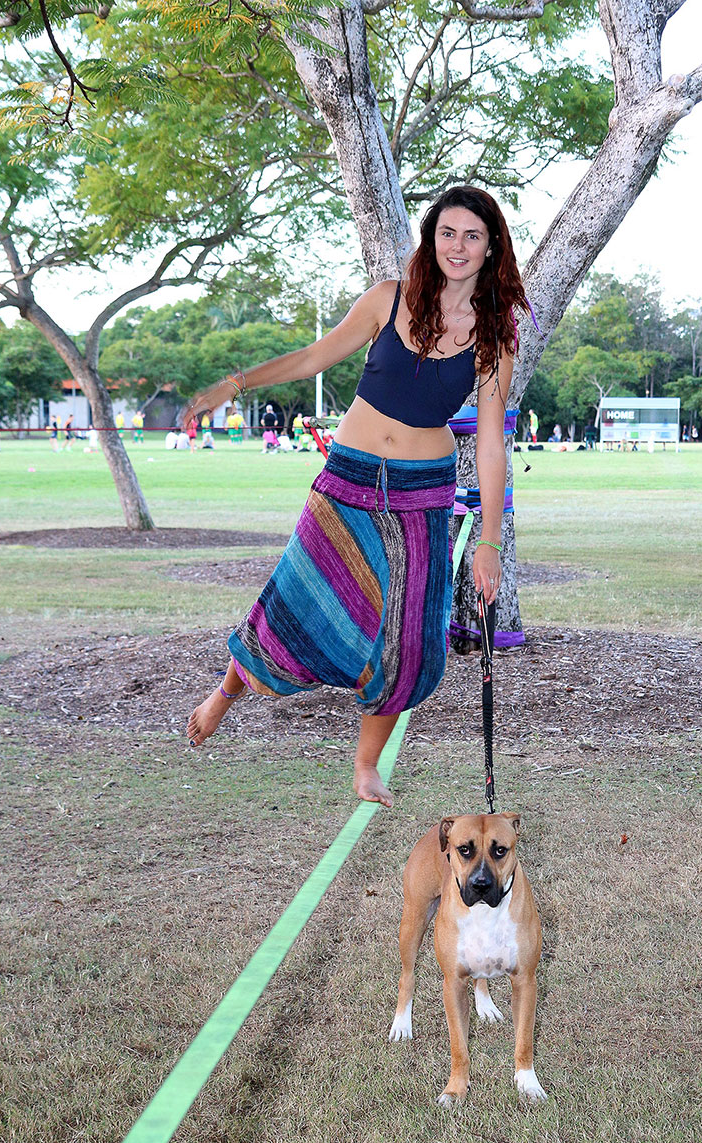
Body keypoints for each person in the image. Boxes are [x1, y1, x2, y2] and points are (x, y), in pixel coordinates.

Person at [181, 185, 526, 807]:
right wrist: (234, 384)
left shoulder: (494, 337)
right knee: (296, 595)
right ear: (431, 238)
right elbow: (315, 357)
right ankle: (227, 691)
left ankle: (367, 767)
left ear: (491, 246)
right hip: (350, 479)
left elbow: (494, 445)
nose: (458, 245)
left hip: (423, 495)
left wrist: (491, 541)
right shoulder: (388, 300)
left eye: (472, 235)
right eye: (447, 232)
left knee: (410, 638)